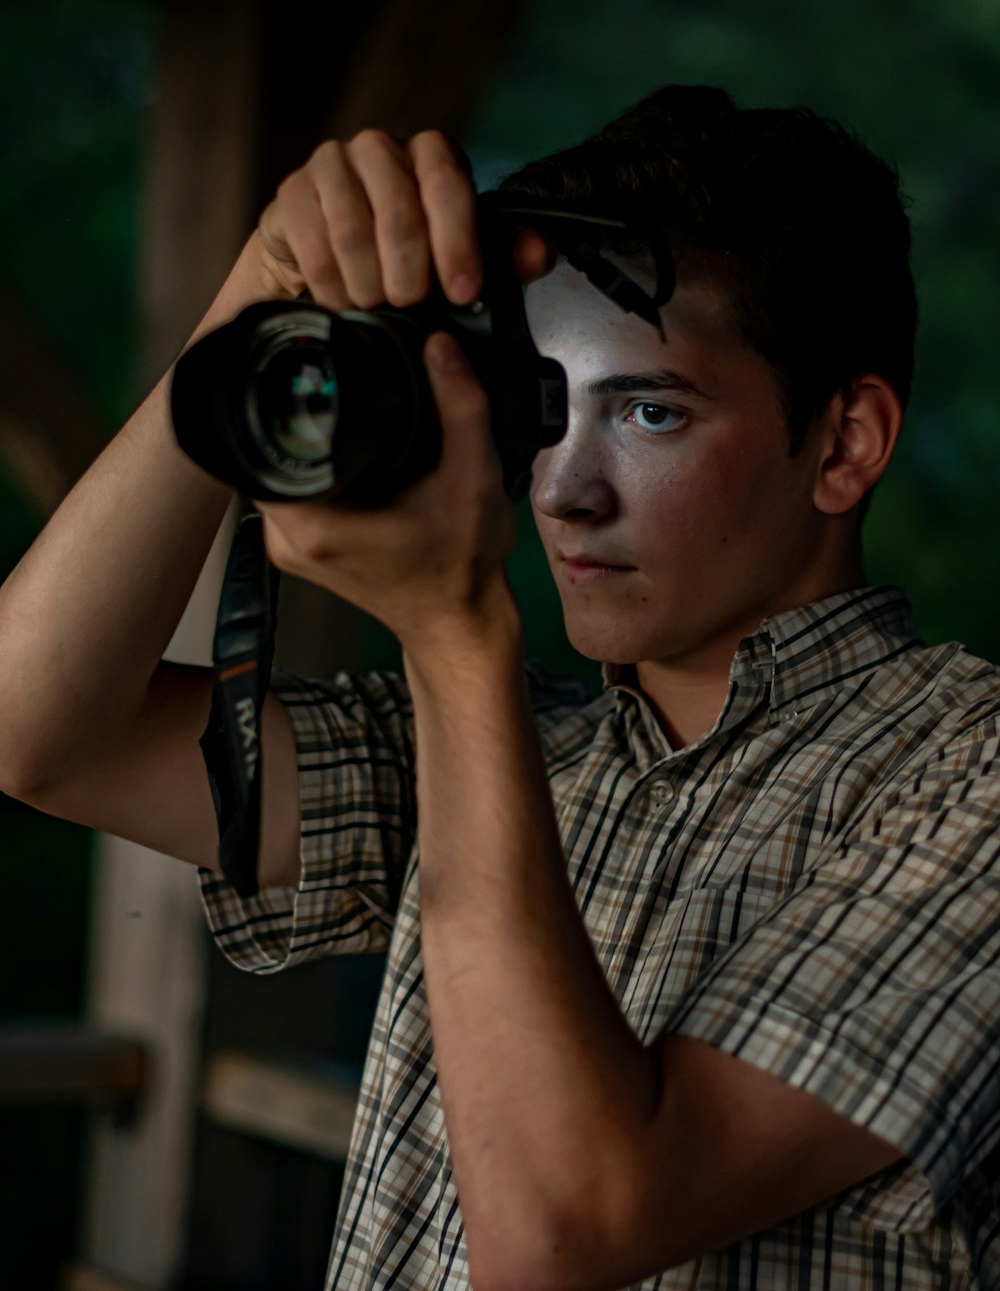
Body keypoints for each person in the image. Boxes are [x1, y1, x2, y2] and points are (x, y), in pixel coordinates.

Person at [2, 84, 998, 1289]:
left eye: (647, 410)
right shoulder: (515, 753)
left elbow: (564, 1229)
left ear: (844, 443)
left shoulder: (965, 778)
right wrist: (257, 295)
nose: (563, 490)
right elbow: (37, 731)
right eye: (543, 407)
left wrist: (454, 631)